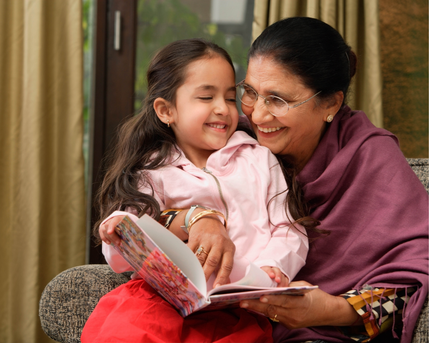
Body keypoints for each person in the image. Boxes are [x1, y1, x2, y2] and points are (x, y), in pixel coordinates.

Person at [165, 17, 428, 343]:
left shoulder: (370, 156)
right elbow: (153, 201)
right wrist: (197, 218)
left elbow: (414, 270)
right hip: (219, 321)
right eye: (249, 92)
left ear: (330, 103)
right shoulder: (233, 138)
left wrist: (332, 310)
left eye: (278, 100)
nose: (257, 115)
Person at [81, 38, 313, 343]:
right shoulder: (153, 169)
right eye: (206, 97)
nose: (223, 109)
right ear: (166, 110)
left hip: (238, 308)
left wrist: (273, 267)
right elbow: (123, 253)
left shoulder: (259, 159)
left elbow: (288, 228)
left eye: (230, 98)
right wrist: (119, 229)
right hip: (160, 299)